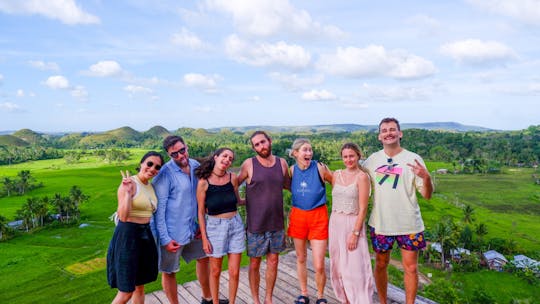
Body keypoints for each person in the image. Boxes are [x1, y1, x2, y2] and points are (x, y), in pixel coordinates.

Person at [364, 118, 433, 304]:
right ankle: (383, 301)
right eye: (384, 130)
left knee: (411, 268)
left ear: (400, 133)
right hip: (380, 222)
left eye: (392, 129)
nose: (389, 133)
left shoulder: (414, 159)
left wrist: (426, 177)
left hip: (409, 223)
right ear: (379, 136)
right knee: (380, 264)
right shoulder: (372, 161)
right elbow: (358, 184)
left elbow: (427, 195)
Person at [152, 135, 228, 304]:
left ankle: (207, 298)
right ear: (169, 155)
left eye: (182, 150)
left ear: (186, 147)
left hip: (192, 228)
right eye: (174, 154)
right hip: (172, 233)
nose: (180, 156)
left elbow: (202, 197)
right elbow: (159, 210)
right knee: (169, 271)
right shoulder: (165, 174)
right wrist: (165, 239)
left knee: (204, 258)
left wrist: (202, 225)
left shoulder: (195, 166)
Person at [237, 131, 291, 304]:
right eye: (257, 145)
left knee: (274, 261)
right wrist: (240, 200)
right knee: (254, 264)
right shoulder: (249, 164)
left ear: (270, 141)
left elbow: (290, 186)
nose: (261, 146)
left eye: (263, 142)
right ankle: (256, 299)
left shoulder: (282, 163)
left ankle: (268, 298)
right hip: (256, 223)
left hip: (276, 222)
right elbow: (233, 183)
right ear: (254, 148)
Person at [107, 151, 163, 304]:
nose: (152, 169)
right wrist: (127, 193)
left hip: (145, 234)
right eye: (149, 164)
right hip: (128, 235)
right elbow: (123, 216)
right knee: (126, 291)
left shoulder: (150, 186)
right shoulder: (129, 182)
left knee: (140, 285)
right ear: (141, 164)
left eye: (157, 167)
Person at [196, 148, 246, 304]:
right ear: (216, 157)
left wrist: (260, 194)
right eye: (225, 156)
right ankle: (215, 302)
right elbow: (200, 213)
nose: (227, 160)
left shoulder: (233, 178)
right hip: (215, 227)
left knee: (235, 272)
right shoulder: (204, 182)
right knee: (216, 271)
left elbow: (238, 201)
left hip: (236, 225)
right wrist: (204, 239)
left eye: (230, 158)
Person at [288, 138, 333, 304]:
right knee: (301, 258)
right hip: (298, 216)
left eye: (310, 150)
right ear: (295, 153)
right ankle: (304, 293)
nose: (309, 153)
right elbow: (288, 186)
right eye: (305, 150)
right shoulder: (292, 170)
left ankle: (320, 296)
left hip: (318, 216)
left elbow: (336, 182)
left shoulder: (320, 168)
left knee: (319, 263)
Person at [329, 143, 374, 304]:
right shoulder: (336, 174)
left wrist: (355, 233)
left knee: (355, 266)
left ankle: (361, 299)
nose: (348, 159)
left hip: (352, 224)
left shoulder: (362, 177)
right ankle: (345, 298)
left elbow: (363, 209)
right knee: (338, 263)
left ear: (358, 156)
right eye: (345, 156)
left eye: (351, 156)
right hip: (335, 223)